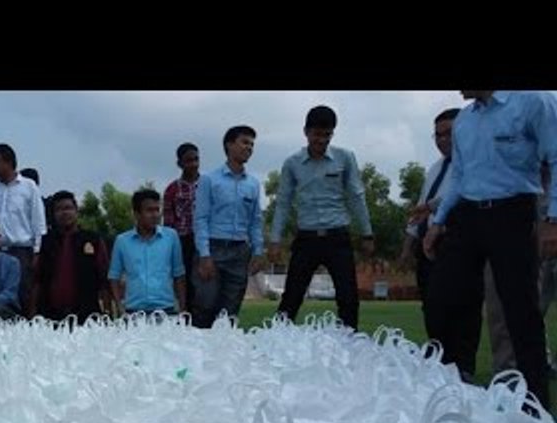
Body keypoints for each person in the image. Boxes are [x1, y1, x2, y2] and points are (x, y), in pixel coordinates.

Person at [423, 91, 557, 412]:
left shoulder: (533, 102)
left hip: (513, 213)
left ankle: (534, 405)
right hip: (468, 215)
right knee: (441, 297)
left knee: (520, 310)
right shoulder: (466, 120)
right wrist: (437, 223)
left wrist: (553, 219)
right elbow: (459, 175)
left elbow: (555, 158)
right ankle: (454, 386)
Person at [270, 105, 375, 330]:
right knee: (292, 296)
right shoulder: (292, 163)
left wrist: (367, 233)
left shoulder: (345, 158)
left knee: (348, 296)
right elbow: (283, 202)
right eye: (317, 135)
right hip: (306, 238)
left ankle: (350, 346)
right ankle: (274, 341)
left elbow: (357, 196)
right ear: (306, 132)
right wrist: (275, 239)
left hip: (337, 236)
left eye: (327, 135)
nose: (321, 141)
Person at [193, 127, 263, 327]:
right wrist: (204, 255)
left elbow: (255, 221)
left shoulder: (253, 184)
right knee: (205, 306)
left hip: (240, 252)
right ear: (229, 145)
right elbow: (201, 219)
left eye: (251, 144)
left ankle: (226, 355)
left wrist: (258, 251)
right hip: (213, 249)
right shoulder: (209, 179)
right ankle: (199, 354)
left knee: (230, 310)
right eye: (244, 142)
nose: (249, 147)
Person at [400, 108, 459, 316]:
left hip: (453, 241)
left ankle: (454, 348)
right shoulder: (434, 169)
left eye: (448, 133)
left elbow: (460, 196)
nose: (442, 140)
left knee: (454, 305)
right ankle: (435, 347)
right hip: (426, 247)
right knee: (430, 305)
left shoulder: (470, 167)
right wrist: (407, 248)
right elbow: (420, 210)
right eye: (438, 135)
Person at [0, 143, 46, 317]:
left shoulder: (29, 187)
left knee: (23, 298)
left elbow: (38, 222)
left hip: (21, 253)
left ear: (9, 163)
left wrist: (38, 252)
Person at [33, 190, 111, 322]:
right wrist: (33, 313)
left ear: (76, 211)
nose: (64, 213)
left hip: (87, 314)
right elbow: (38, 280)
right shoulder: (46, 242)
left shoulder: (93, 240)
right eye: (59, 209)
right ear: (53, 214)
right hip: (51, 315)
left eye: (68, 208)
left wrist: (107, 312)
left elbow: (104, 277)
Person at [108, 189, 186, 316]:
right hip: (134, 311)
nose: (155, 215)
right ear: (137, 214)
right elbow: (114, 276)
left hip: (166, 310)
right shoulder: (122, 241)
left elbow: (179, 274)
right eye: (149, 210)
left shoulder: (171, 237)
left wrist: (182, 309)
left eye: (157, 210)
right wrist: (120, 308)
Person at [163, 142, 200, 317]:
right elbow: (168, 221)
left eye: (196, 159)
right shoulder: (172, 189)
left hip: (203, 240)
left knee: (204, 283)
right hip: (182, 240)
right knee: (184, 281)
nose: (193, 164)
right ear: (179, 163)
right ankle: (186, 314)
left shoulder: (207, 184)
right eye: (188, 160)